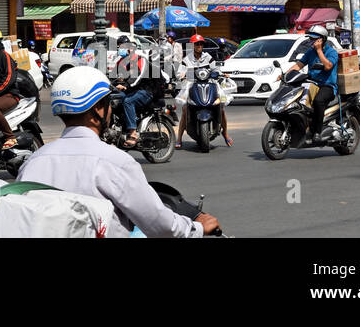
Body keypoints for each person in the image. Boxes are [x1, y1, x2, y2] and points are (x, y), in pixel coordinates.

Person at [19, 67, 219, 237]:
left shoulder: (34, 161)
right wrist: (197, 228)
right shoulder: (114, 161)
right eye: (108, 103)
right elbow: (159, 224)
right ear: (98, 109)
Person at [284, 23, 340, 139]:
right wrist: (286, 74)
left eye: (314, 39)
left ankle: (317, 131)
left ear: (322, 40)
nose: (311, 42)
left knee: (318, 101)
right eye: (310, 39)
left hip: (327, 86)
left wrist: (319, 51)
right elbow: (299, 65)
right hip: (311, 83)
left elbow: (328, 66)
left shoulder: (331, 52)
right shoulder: (310, 52)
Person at [174, 35, 231, 148]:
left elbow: (216, 69)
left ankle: (225, 133)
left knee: (221, 107)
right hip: (192, 85)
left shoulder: (208, 57)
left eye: (201, 44)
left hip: (209, 84)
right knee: (185, 110)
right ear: (192, 45)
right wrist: (182, 75)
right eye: (197, 44)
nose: (199, 46)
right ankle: (179, 138)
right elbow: (180, 73)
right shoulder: (186, 60)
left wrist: (221, 74)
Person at [110, 36, 152, 146]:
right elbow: (112, 77)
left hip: (145, 91)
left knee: (128, 101)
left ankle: (133, 133)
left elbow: (138, 77)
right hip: (131, 91)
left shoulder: (140, 59)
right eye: (119, 47)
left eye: (123, 46)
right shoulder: (120, 62)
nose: (121, 49)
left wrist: (126, 85)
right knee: (112, 99)